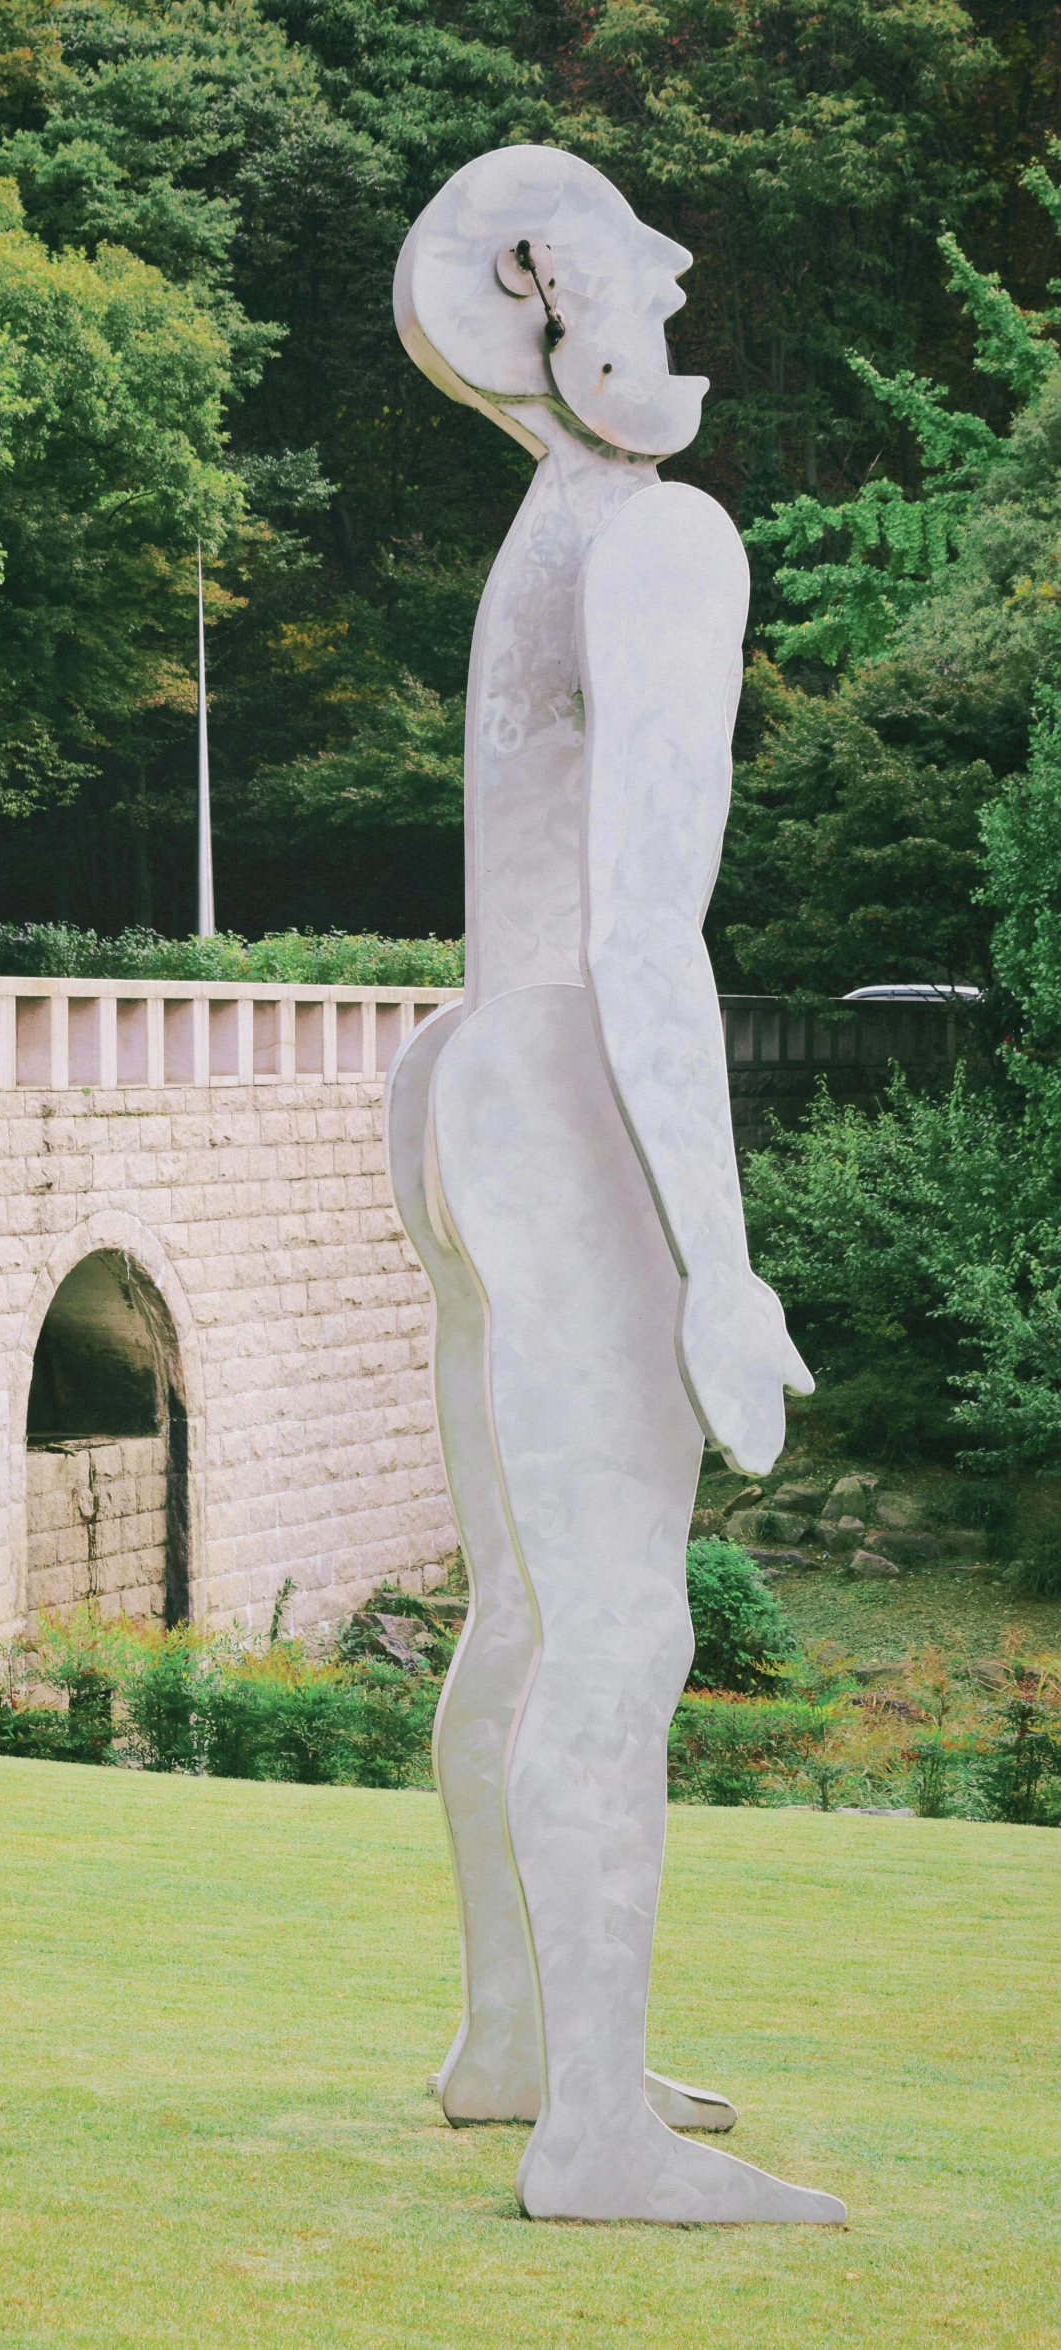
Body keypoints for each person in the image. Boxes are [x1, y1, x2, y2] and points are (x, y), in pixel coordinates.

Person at [384, 145, 845, 2224]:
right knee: (622, 1625)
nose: (674, 280)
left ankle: (513, 2040)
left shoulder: (540, 529)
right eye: (634, 266)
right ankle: (589, 2134)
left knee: (527, 1605)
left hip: (467, 1070)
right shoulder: (655, 535)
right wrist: (720, 1262)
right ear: (557, 307)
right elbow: (649, 930)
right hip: (565, 1085)